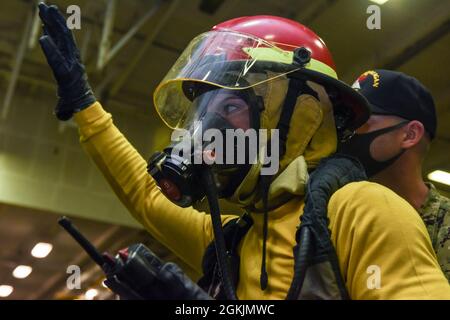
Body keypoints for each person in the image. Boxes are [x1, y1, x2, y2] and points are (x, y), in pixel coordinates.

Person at [37, 3, 450, 299]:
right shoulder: (234, 238)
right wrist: (84, 104)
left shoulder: (363, 211)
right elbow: (145, 195)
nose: (206, 132)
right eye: (203, 112)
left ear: (301, 117)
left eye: (231, 105)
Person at [339, 69, 450, 281]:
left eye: (362, 121)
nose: (348, 132)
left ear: (410, 134)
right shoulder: (337, 215)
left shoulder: (443, 226)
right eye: (347, 121)